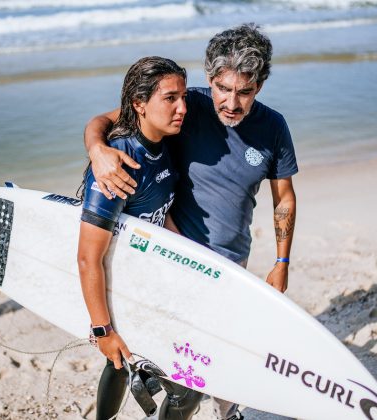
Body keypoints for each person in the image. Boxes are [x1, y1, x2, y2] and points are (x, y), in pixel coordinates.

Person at [84, 24, 298, 420]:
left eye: (244, 92)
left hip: (231, 263)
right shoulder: (188, 105)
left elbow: (283, 198)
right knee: (184, 370)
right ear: (209, 80)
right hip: (174, 256)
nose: (231, 102)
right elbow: (106, 120)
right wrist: (98, 150)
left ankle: (227, 410)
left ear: (260, 86)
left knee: (208, 362)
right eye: (222, 88)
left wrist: (282, 262)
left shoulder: (273, 127)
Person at [77, 56, 187, 420]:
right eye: (170, 98)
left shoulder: (163, 144)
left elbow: (161, 210)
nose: (182, 107)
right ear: (140, 104)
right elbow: (87, 258)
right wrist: (102, 328)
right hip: (122, 291)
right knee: (126, 362)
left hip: (152, 282)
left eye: (183, 97)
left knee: (124, 365)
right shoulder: (117, 161)